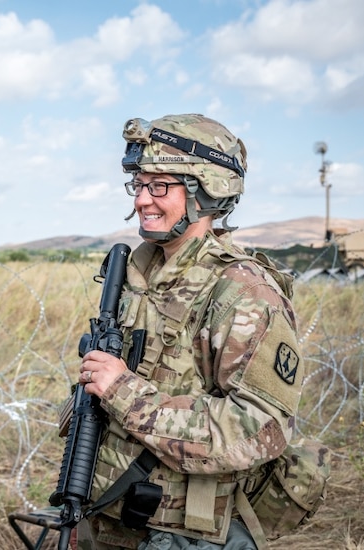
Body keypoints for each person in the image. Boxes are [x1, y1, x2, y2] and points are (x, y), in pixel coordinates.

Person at [72, 114, 303, 550]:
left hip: (182, 533)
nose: (142, 200)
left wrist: (123, 392)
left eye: (159, 186)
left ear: (207, 189)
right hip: (107, 511)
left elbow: (259, 428)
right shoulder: (136, 272)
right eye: (138, 184)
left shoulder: (243, 291)